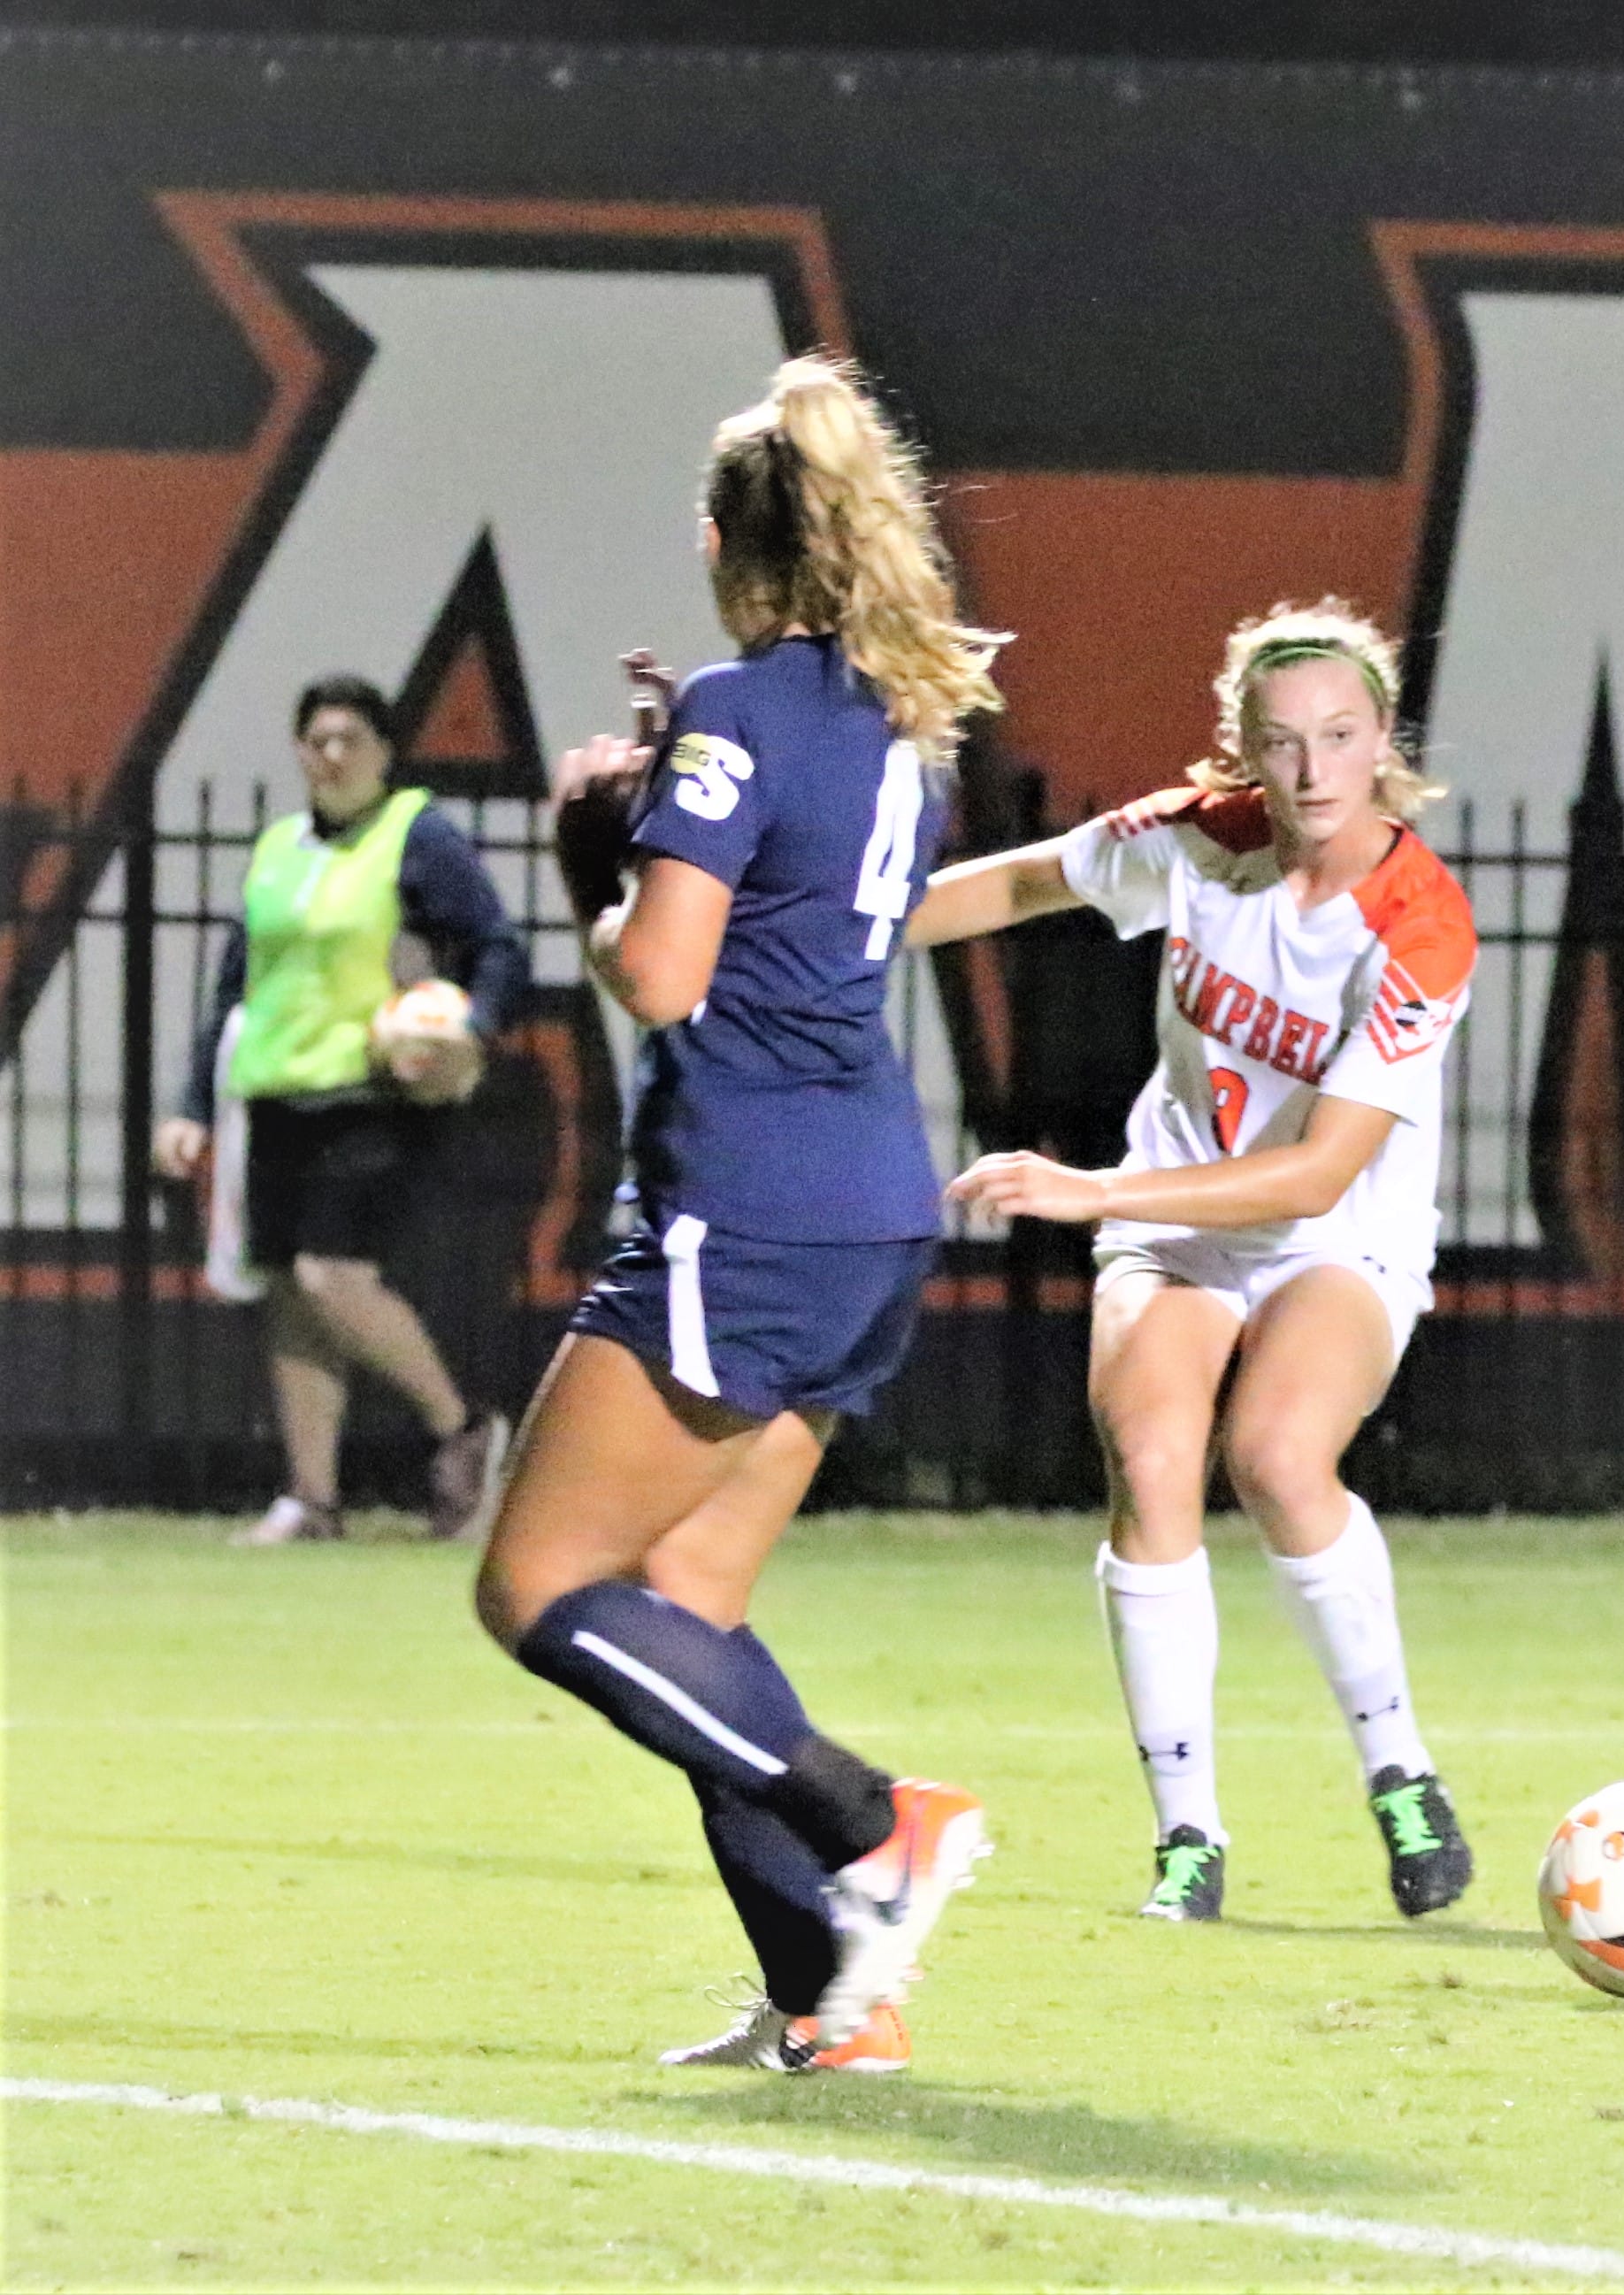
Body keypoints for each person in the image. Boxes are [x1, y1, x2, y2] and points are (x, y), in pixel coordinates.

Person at [474, 356, 1000, 2076]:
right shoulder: (897, 721)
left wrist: (600, 855)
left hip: (747, 1207)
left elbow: (662, 973)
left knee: (538, 1584)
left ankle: (872, 1821)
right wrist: (670, 801)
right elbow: (803, 907)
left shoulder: (738, 704)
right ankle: (828, 1994)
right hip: (867, 1204)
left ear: (722, 543)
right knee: (688, 1593)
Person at [912, 601, 1476, 1924]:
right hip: (1177, 1219)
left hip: (1336, 1232)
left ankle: (1398, 1769)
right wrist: (831, 929)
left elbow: (1316, 1174)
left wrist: (1090, 1190)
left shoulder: (1419, 924)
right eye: (1281, 741)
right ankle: (1187, 1837)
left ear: (1382, 742)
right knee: (1154, 1462)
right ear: (1243, 746)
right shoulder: (1197, 838)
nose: (1312, 768)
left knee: (1277, 1456)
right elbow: (1017, 883)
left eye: (1339, 735)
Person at [154, 677, 526, 1547]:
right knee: (292, 1292)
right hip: (275, 1090)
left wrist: (471, 1027)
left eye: (350, 739)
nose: (331, 755)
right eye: (317, 740)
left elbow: (497, 945)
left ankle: (462, 1427)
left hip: (372, 1093)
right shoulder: (278, 847)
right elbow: (234, 985)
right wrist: (192, 1105)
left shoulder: (415, 834)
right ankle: (312, 1499)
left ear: (385, 752)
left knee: (331, 1275)